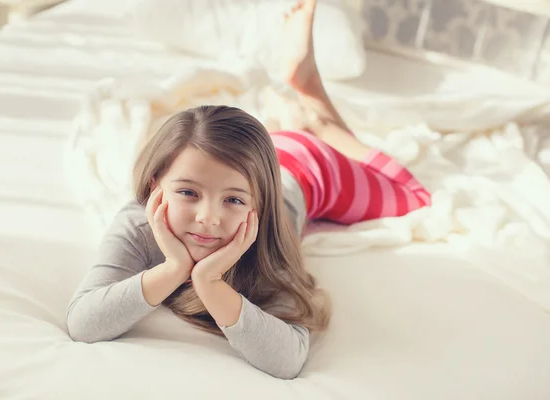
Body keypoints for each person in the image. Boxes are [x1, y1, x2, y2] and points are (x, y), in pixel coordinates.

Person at [66, 0, 431, 379]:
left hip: (308, 168)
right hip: (255, 161)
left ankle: (314, 107)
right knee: (239, 169)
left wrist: (207, 282)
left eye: (234, 201)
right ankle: (301, 109)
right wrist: (175, 268)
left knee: (413, 195)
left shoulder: (268, 235)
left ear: (259, 205)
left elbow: (287, 359)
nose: (208, 218)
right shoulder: (138, 225)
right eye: (188, 192)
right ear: (156, 185)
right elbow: (83, 322)